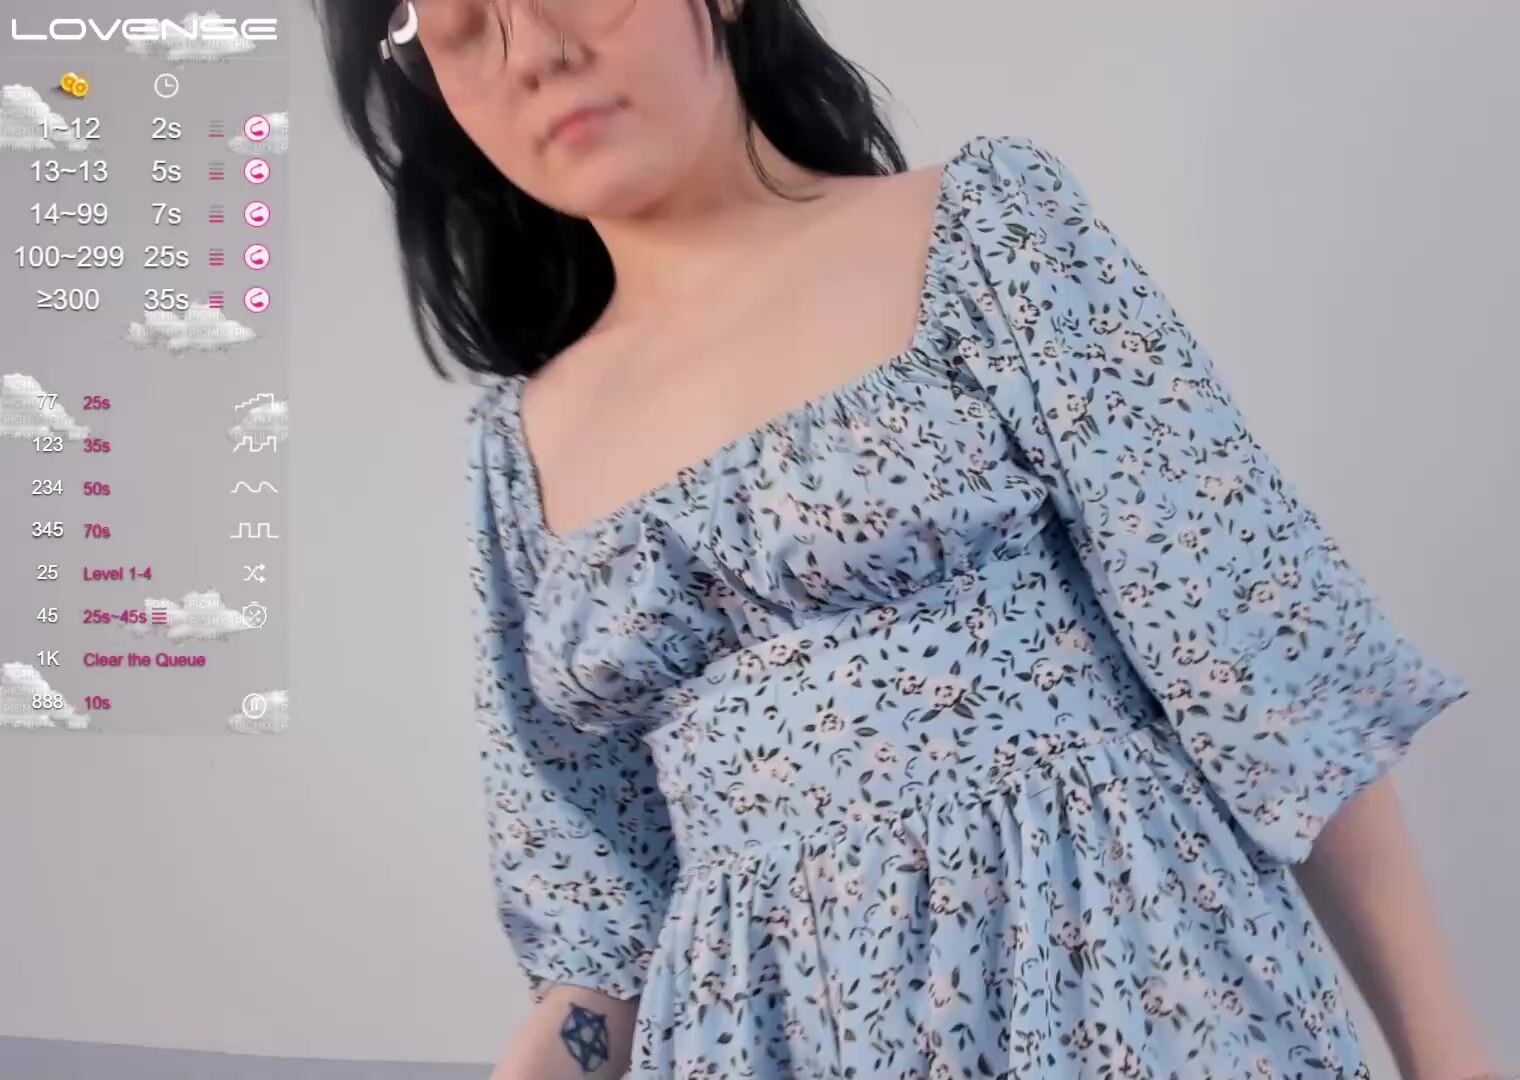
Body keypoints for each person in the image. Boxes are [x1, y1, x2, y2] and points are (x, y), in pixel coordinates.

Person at [317, 1, 1509, 1078]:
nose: (535, 51)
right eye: (457, 21)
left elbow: (1263, 657)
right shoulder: (516, 453)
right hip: (767, 1039)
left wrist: (1448, 1057)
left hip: (1119, 981)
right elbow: (597, 935)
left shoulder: (983, 232)